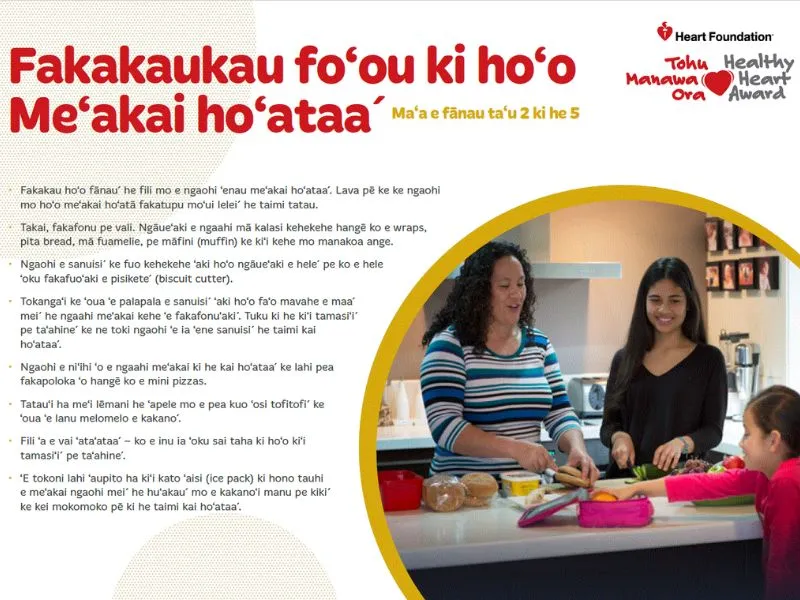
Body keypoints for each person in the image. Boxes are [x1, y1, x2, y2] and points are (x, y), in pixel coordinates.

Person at [420, 240, 599, 484]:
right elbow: (445, 427)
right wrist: (516, 449)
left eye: (521, 283)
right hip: (462, 494)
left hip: (526, 491)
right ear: (480, 292)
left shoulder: (539, 345)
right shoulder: (449, 347)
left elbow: (559, 412)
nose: (516, 293)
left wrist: (577, 447)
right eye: (504, 285)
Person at [613, 386, 800, 600]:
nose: (741, 443)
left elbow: (785, 567)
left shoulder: (787, 483)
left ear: (773, 441)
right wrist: (637, 487)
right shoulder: (764, 476)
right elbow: (704, 483)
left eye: (748, 433)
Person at [600, 257, 727, 479]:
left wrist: (682, 444)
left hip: (681, 484)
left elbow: (713, 431)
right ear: (644, 303)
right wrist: (619, 437)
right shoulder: (624, 359)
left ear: (689, 303)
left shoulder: (710, 360)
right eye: (655, 300)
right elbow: (609, 424)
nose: (664, 309)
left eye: (675, 300)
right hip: (624, 482)